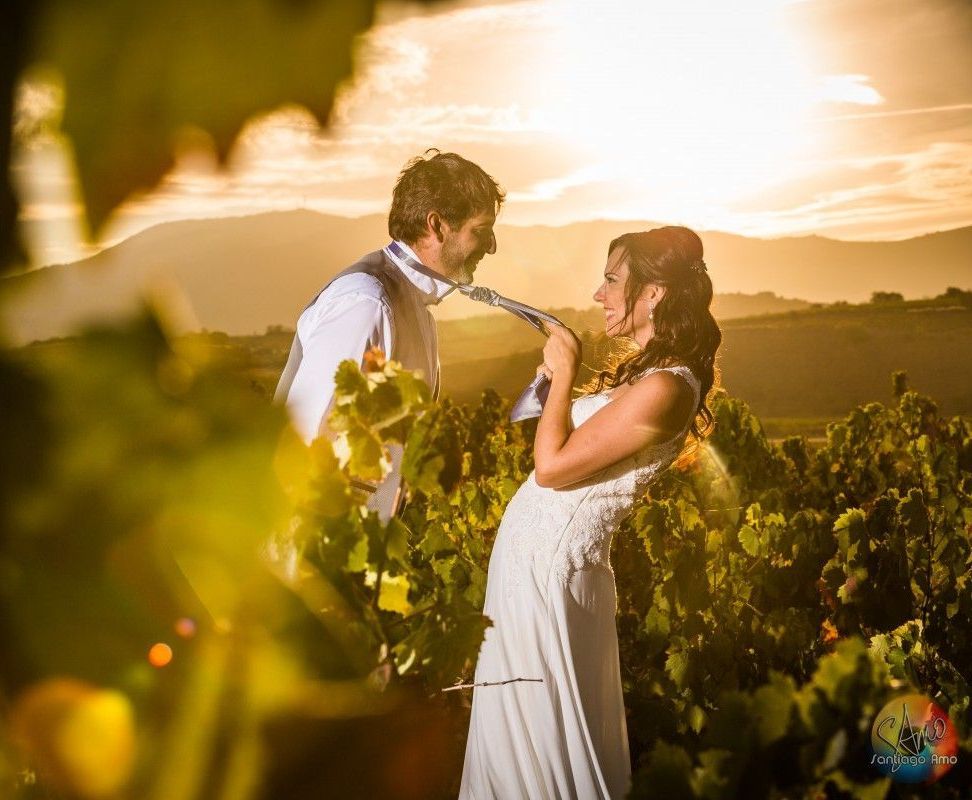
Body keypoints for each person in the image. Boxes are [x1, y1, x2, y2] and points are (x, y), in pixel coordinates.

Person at [458, 226, 722, 799]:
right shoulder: (646, 377)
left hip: (552, 577)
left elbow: (552, 468)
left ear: (653, 292)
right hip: (529, 569)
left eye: (611, 280)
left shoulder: (668, 388)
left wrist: (565, 376)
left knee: (544, 741)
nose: (599, 294)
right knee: (513, 739)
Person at [273, 150, 504, 519]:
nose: (491, 246)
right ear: (437, 225)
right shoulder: (366, 302)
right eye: (481, 231)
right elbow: (307, 443)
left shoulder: (416, 307)